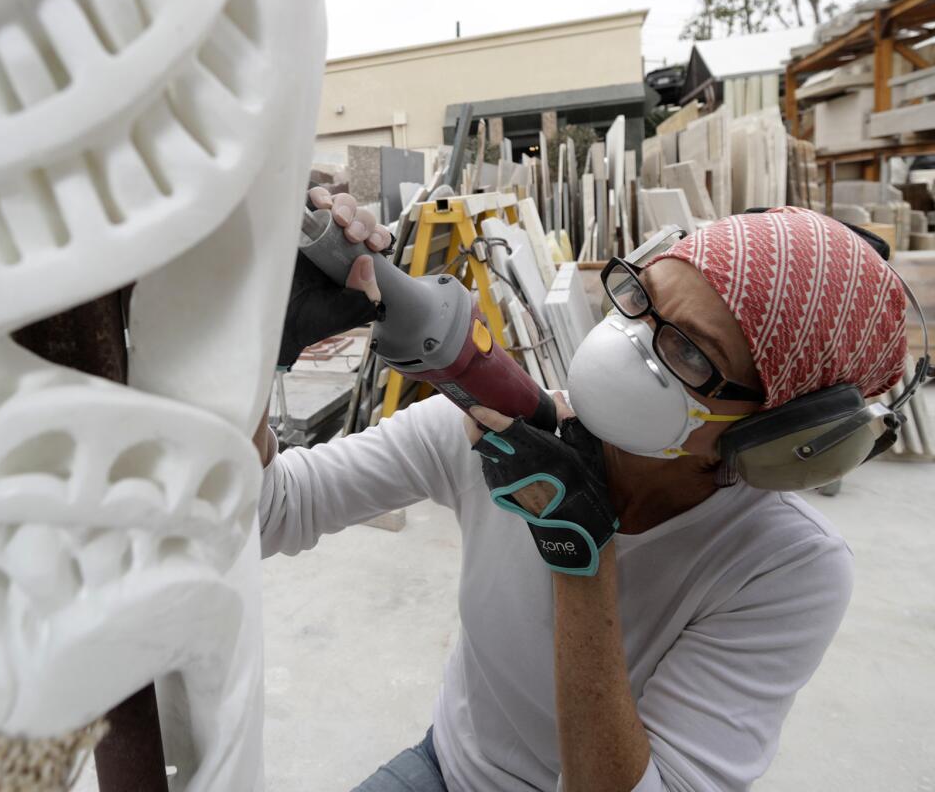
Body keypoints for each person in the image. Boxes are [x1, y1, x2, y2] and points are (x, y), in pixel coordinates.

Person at [257, 188, 909, 792]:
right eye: (639, 299)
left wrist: (577, 549)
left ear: (774, 431)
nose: (630, 344)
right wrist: (247, 355)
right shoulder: (494, 430)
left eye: (689, 352)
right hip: (450, 767)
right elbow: (268, 512)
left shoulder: (787, 567)